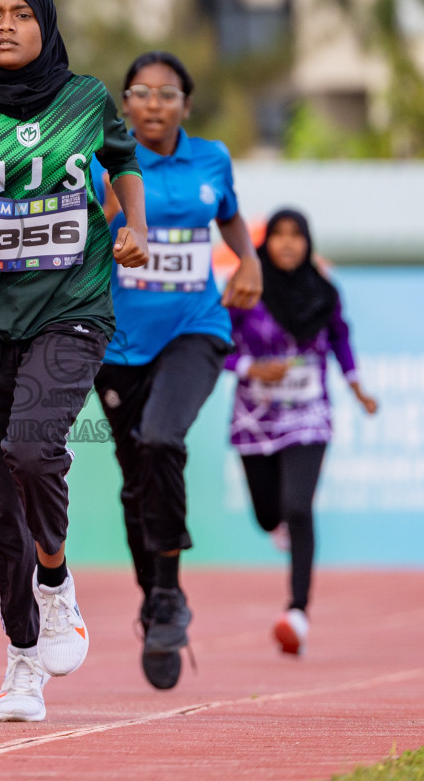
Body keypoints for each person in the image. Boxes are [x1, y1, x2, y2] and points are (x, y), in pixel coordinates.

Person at [0, 0, 149, 723]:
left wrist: (132, 225)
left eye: (20, 15)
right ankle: (22, 661)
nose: (5, 26)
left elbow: (124, 161)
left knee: (34, 448)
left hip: (73, 304)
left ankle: (57, 583)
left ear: (46, 24)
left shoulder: (86, 98)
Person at [90, 51, 261, 690]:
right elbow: (80, 237)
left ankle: (166, 597)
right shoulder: (103, 164)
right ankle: (159, 595)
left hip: (195, 330)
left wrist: (249, 261)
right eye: (141, 92)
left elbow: (231, 217)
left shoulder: (211, 160)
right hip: (118, 344)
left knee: (162, 438)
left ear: (187, 105)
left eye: (168, 94)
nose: (154, 104)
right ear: (125, 105)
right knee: (137, 480)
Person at [226, 209, 378, 657]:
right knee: (268, 515)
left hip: (310, 413)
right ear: (265, 242)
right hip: (254, 416)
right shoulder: (242, 287)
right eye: (279, 235)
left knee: (299, 507)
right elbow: (216, 344)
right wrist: (254, 367)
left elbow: (340, 338)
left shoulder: (324, 292)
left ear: (308, 243)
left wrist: (357, 387)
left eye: (297, 236)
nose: (288, 244)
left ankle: (297, 612)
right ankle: (278, 526)